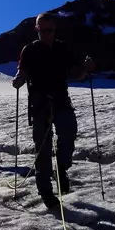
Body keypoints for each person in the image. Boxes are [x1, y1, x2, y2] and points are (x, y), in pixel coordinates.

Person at [12, 13, 94, 208]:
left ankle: (61, 169)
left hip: (61, 100)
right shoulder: (29, 50)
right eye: (43, 30)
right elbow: (22, 72)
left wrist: (86, 68)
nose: (47, 34)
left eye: (50, 30)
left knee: (68, 134)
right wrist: (18, 80)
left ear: (54, 30)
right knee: (43, 148)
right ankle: (46, 192)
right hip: (40, 104)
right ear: (37, 30)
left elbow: (75, 73)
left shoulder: (61, 48)